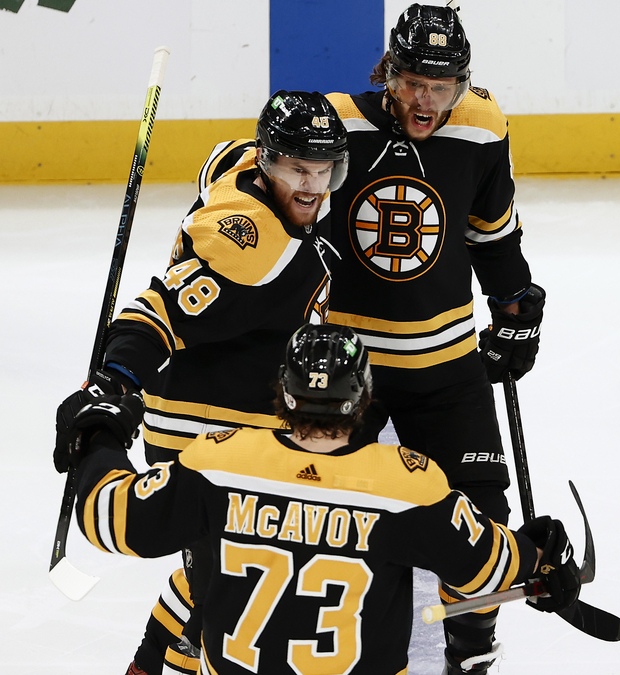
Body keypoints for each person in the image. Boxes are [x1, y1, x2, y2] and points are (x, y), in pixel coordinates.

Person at [55, 324, 581, 675]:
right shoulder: (407, 484)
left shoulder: (218, 461)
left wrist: (101, 435)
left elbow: (107, 516)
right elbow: (490, 570)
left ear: (284, 390)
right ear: (364, 395)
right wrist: (541, 557)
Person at [53, 91, 349, 674]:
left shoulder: (240, 162)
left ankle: (152, 659)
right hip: (209, 420)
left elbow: (218, 158)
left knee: (226, 569)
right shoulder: (253, 244)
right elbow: (159, 310)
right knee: (237, 574)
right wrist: (115, 382)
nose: (313, 186)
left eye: (324, 170)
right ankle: (177, 657)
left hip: (248, 402)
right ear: (268, 162)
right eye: (298, 169)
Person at [322, 5, 544, 672]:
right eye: (413, 83)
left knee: (484, 519)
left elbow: (491, 232)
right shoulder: (339, 124)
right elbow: (280, 209)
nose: (425, 101)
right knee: (327, 514)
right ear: (389, 73)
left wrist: (516, 305)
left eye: (440, 88)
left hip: (446, 365)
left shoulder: (482, 125)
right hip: (348, 368)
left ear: (462, 85)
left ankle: (470, 651)